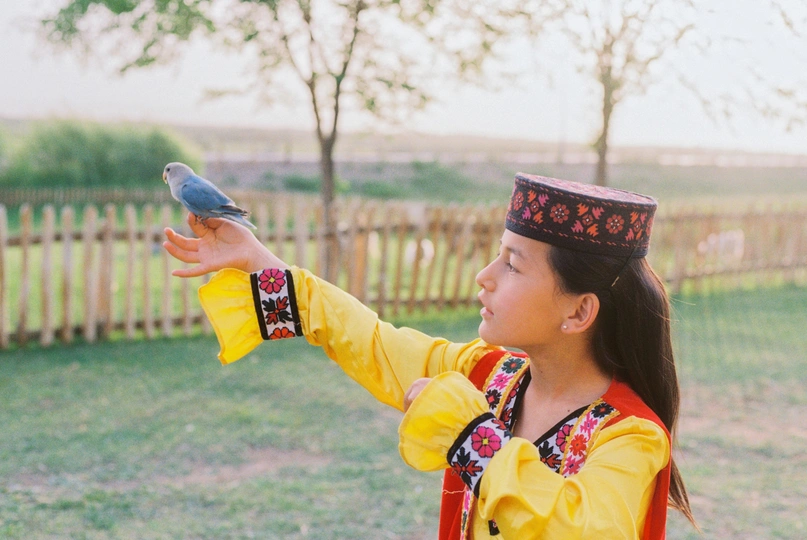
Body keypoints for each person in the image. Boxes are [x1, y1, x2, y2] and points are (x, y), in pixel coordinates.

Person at [163, 173, 696, 539]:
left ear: (579, 311)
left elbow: (581, 529)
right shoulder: (487, 375)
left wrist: (473, 436)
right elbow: (372, 342)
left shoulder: (629, 436)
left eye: (512, 265)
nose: (484, 276)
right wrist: (258, 260)